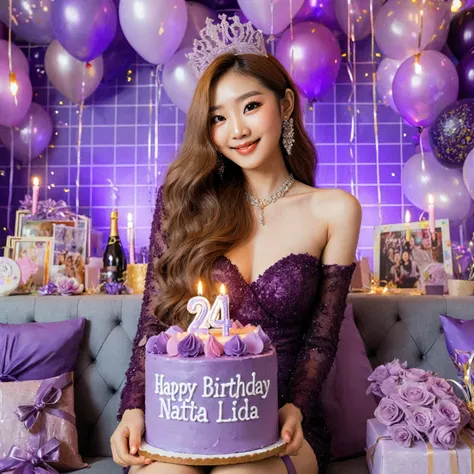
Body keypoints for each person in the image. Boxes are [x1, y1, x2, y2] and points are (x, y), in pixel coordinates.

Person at [110, 15, 361, 474]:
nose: (236, 130)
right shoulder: (185, 200)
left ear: (284, 105)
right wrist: (133, 408)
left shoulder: (336, 210)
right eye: (218, 118)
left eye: (250, 106)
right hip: (184, 416)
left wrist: (298, 408)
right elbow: (154, 319)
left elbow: (321, 340)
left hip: (281, 419)